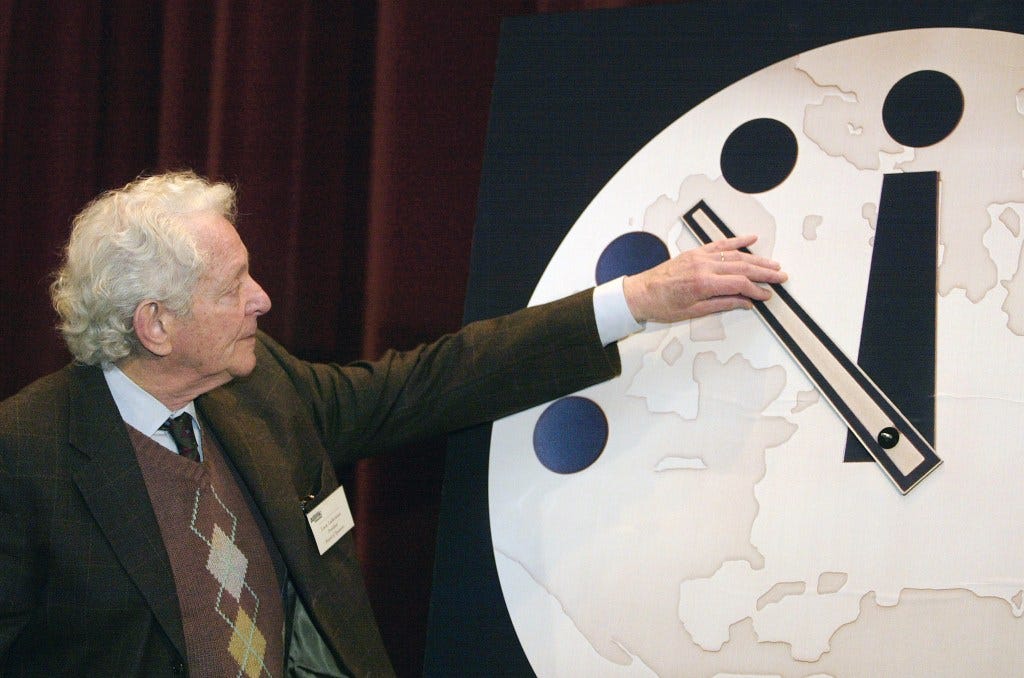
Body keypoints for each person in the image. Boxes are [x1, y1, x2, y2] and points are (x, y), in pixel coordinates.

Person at [0, 171, 785, 677]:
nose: (262, 299)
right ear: (155, 324)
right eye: (233, 288)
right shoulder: (25, 457)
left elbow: (427, 383)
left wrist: (634, 301)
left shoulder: (260, 384)